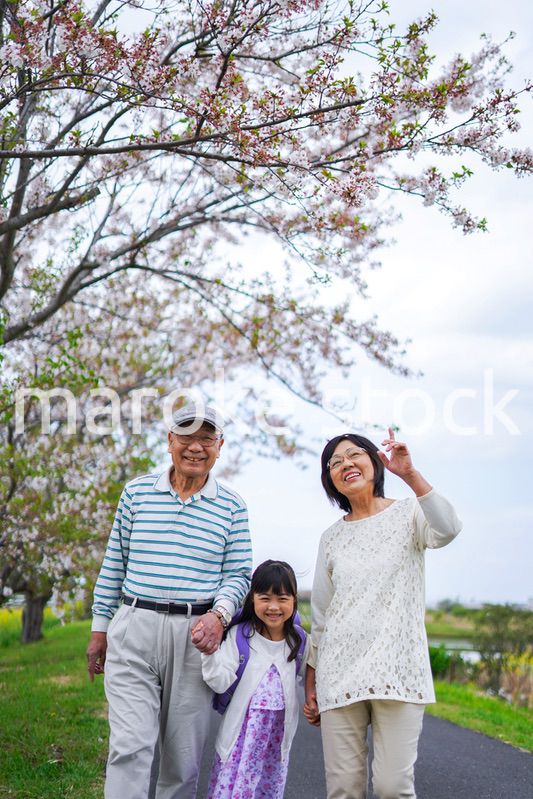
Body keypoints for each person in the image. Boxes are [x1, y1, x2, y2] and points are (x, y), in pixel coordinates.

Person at [86, 403, 252, 799]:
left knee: (182, 761)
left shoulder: (232, 506)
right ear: (169, 442)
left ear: (220, 445)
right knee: (129, 746)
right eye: (187, 437)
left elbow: (239, 575)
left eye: (206, 439)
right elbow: (114, 562)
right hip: (134, 626)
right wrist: (99, 629)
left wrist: (219, 615)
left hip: (196, 635)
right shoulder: (137, 492)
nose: (196, 447)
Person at [304, 428, 462, 799]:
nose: (346, 464)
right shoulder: (331, 537)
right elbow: (322, 617)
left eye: (354, 455)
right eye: (335, 463)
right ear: (330, 481)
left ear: (375, 462)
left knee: (393, 788)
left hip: (399, 670)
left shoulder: (409, 514)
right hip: (339, 673)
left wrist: (410, 474)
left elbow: (448, 529)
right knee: (343, 789)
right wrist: (310, 681)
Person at [200, 560, 308, 799]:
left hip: (274, 749)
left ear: (294, 600)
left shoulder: (298, 641)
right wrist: (209, 652)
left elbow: (313, 671)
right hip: (237, 747)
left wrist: (315, 699)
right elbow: (219, 682)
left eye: (282, 598)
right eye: (265, 598)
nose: (273, 606)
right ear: (252, 599)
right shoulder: (241, 637)